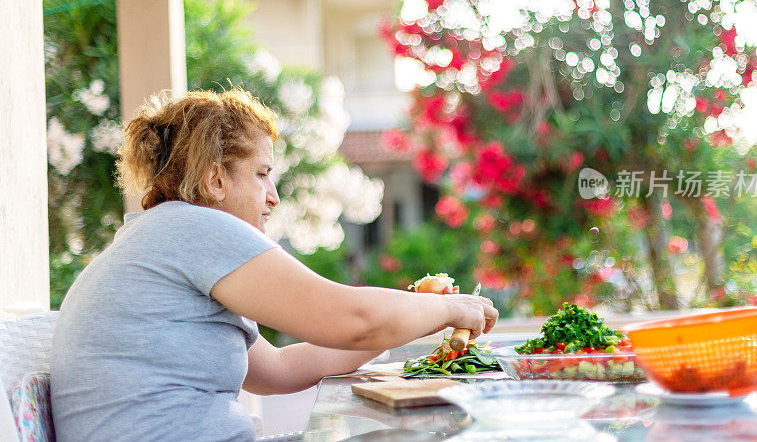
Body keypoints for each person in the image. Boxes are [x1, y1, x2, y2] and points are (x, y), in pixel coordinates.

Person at [50, 89, 498, 442]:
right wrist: (449, 309)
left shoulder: (163, 237)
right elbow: (350, 320)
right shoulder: (192, 229)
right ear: (215, 178)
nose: (274, 195)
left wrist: (419, 313)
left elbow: (279, 370)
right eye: (262, 174)